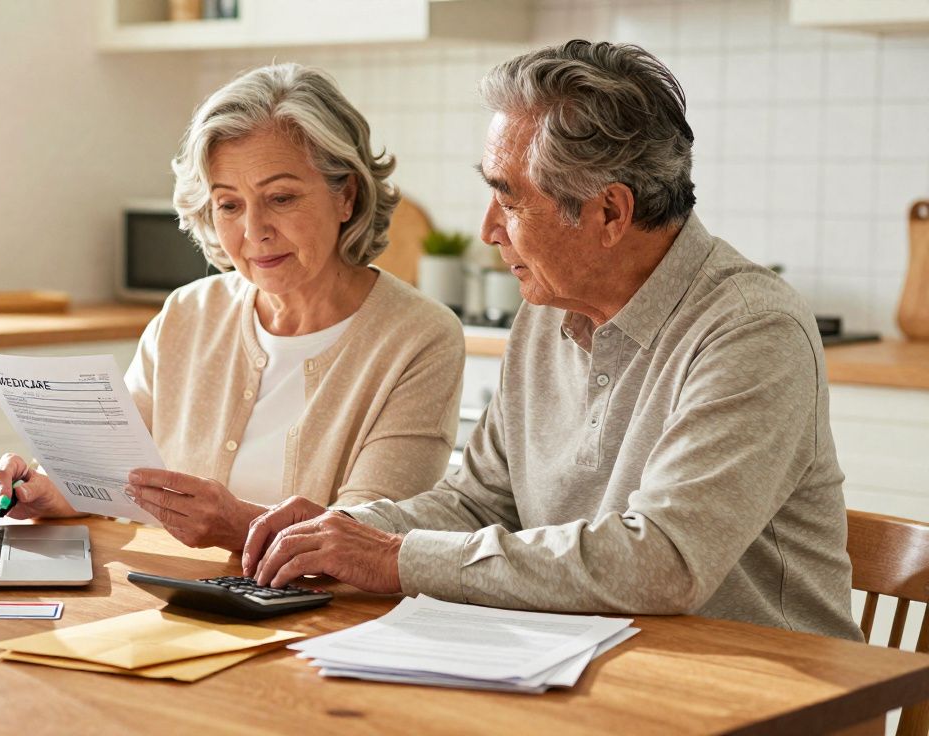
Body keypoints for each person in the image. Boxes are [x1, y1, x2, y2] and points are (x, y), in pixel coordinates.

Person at [242, 40, 863, 641]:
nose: (487, 229)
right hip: (590, 664)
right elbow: (478, 503)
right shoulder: (547, 310)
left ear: (612, 214)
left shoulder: (752, 331)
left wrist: (393, 557)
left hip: (764, 691)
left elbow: (665, 561)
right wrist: (344, 529)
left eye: (508, 200)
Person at [0, 63, 465, 553]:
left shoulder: (420, 337)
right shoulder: (187, 312)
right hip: (175, 606)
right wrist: (51, 489)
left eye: (282, 198)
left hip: (322, 627)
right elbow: (115, 474)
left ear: (347, 196)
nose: (254, 231)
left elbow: (368, 542)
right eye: (229, 205)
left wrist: (236, 526)